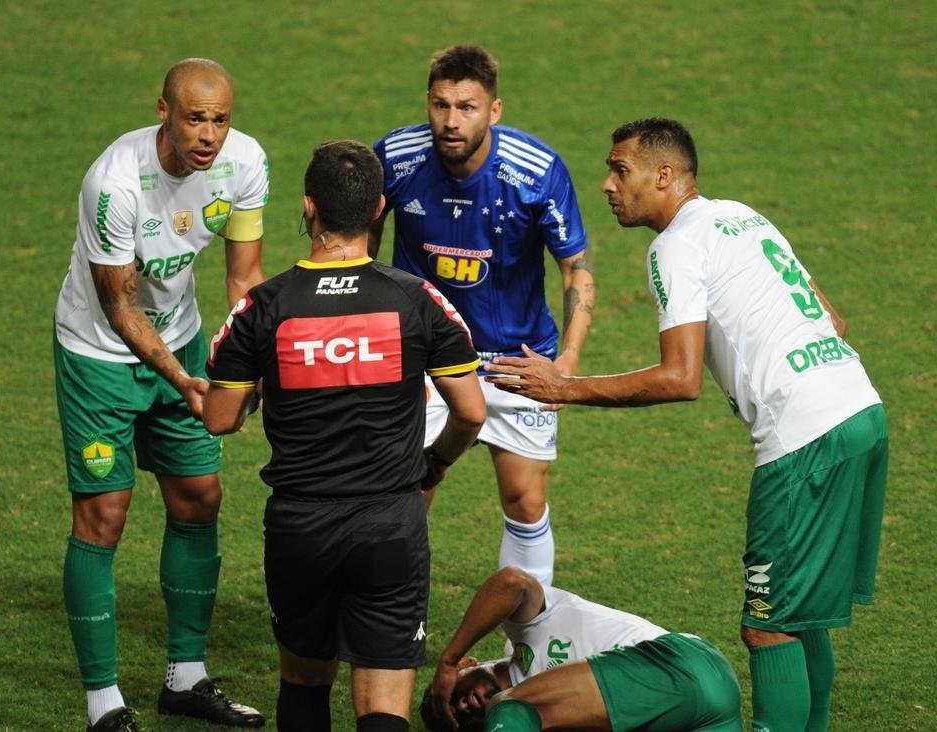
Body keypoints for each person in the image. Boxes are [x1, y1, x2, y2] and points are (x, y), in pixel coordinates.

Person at [486, 117, 889, 732]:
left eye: (620, 170)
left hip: (804, 439)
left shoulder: (674, 245)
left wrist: (565, 387)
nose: (606, 185)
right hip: (859, 408)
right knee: (801, 613)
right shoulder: (743, 215)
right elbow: (832, 320)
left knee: (768, 624)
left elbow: (681, 378)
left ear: (665, 175)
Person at [203, 140, 487, 732]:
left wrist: (264, 383)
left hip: (300, 528)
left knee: (303, 687)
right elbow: (471, 413)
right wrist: (433, 463)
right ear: (379, 209)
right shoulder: (418, 300)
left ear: (308, 209)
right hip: (389, 522)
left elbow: (220, 418)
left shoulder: (264, 307)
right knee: (384, 709)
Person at [53, 58, 269, 731]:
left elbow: (245, 280)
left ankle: (186, 677)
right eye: (195, 118)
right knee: (104, 516)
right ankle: (103, 703)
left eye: (220, 119)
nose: (209, 134)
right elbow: (119, 308)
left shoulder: (244, 164)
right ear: (164, 112)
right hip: (100, 356)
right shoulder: (113, 185)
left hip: (181, 341)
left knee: (200, 496)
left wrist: (250, 365)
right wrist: (184, 380)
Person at [369, 44, 595, 587]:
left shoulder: (536, 171)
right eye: (441, 105)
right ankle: (391, 623)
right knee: (407, 489)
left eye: (467, 107)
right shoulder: (395, 158)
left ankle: (528, 647)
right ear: (427, 103)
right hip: (425, 354)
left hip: (516, 356)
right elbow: (364, 253)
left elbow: (576, 270)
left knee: (524, 497)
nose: (451, 121)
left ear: (494, 110)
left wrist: (567, 360)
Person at [421, 566, 742, 732]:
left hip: (679, 662)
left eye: (448, 699)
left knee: (510, 704)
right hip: (705, 709)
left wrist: (447, 661)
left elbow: (510, 582)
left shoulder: (525, 633)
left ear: (468, 662)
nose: (461, 708)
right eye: (457, 723)